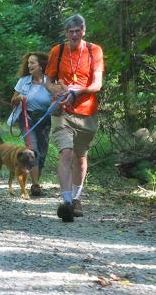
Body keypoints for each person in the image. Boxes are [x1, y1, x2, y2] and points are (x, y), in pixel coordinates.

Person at [45, 14, 104, 222]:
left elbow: (97, 84)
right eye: (70, 32)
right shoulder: (57, 51)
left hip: (87, 112)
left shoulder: (94, 50)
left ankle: (77, 197)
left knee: (80, 157)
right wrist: (56, 91)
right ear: (65, 33)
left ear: (84, 31)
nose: (74, 35)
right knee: (66, 153)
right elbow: (48, 80)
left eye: (78, 30)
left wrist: (76, 92)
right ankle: (67, 201)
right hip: (62, 112)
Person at [10, 52, 52, 197]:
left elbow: (56, 99)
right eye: (28, 63)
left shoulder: (49, 81)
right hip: (27, 119)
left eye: (33, 63)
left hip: (45, 120)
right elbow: (13, 100)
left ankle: (35, 181)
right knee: (33, 150)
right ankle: (35, 185)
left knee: (42, 153)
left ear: (41, 65)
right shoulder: (23, 81)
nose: (29, 65)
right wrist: (19, 97)